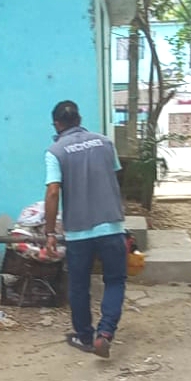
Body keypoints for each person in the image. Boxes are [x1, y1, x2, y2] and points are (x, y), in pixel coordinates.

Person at [43, 100, 126, 359]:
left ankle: (85, 336)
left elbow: (53, 192)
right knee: (115, 280)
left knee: (79, 285)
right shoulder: (105, 143)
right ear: (79, 119)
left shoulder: (55, 151)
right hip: (111, 225)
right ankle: (106, 333)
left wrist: (49, 233)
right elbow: (114, 177)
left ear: (57, 124)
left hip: (79, 232)